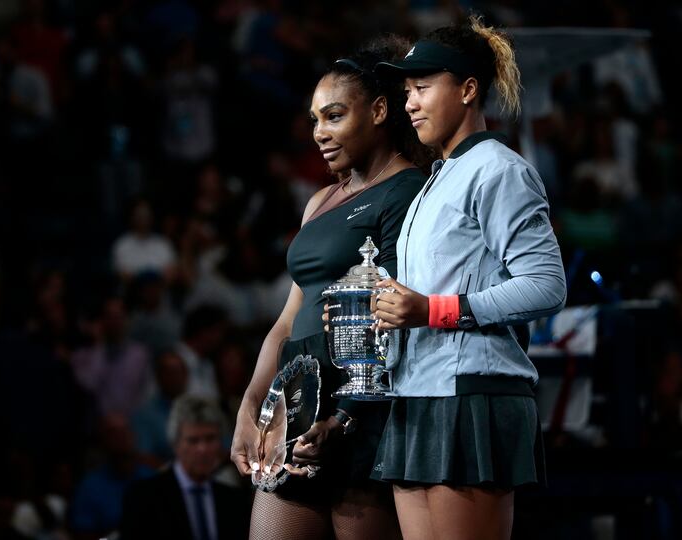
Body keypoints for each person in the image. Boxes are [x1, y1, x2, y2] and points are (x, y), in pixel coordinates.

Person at [369, 15, 567, 540]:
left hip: (473, 396)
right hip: (417, 393)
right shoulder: (436, 177)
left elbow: (547, 284)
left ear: (468, 90)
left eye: (423, 87)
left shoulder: (500, 169)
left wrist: (432, 310)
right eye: (407, 90)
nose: (409, 103)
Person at [230, 38, 428, 540]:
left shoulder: (409, 192)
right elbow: (286, 319)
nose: (320, 133)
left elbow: (393, 314)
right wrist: (252, 404)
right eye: (316, 119)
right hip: (298, 395)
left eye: (335, 116)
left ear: (380, 110)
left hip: (363, 404)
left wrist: (346, 417)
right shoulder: (319, 201)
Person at [120, 395, 251, 540]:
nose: (203, 449)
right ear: (175, 444)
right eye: (193, 440)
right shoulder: (143, 498)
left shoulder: (234, 501)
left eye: (210, 438)